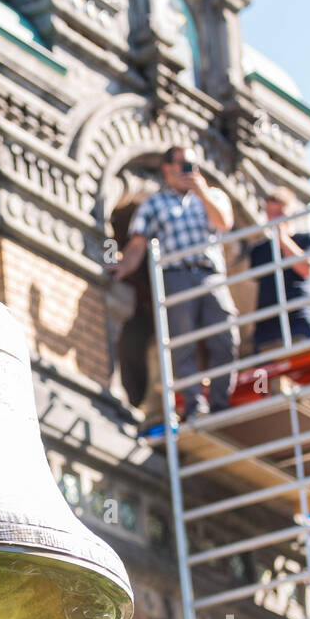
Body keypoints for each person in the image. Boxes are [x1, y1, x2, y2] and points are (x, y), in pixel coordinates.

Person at [109, 145, 235, 428]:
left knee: (225, 338)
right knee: (182, 344)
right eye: (185, 166)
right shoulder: (154, 204)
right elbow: (138, 244)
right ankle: (195, 407)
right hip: (175, 276)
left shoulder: (212, 196)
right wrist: (121, 265)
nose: (192, 172)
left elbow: (224, 223)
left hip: (210, 275)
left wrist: (201, 191)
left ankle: (220, 402)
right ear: (168, 169)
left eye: (194, 166)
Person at [245, 187, 310, 354]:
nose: (274, 218)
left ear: (291, 212)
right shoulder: (259, 250)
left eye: (280, 212)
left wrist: (283, 240)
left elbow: (307, 268)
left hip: (299, 319)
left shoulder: (306, 239)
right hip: (266, 325)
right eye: (270, 213)